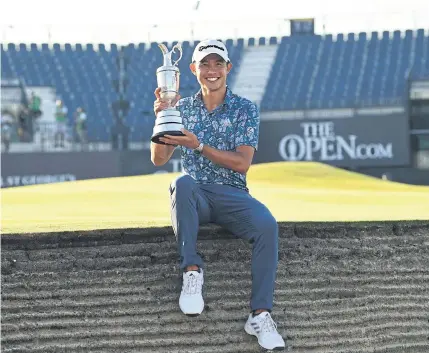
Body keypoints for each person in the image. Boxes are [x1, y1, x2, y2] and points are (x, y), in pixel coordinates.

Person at [151, 39, 285, 351]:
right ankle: (191, 271)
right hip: (197, 195)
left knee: (267, 226)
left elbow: (242, 163)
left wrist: (198, 145)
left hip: (233, 194)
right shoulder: (180, 108)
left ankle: (260, 315)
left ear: (228, 68)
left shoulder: (244, 109)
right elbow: (158, 158)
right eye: (205, 64)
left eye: (217, 64)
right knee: (181, 183)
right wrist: (160, 117)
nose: (212, 71)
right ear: (193, 69)